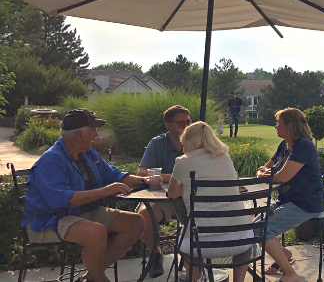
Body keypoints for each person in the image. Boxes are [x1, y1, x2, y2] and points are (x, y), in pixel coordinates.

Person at [21, 109, 147, 282]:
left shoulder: (87, 153)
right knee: (96, 232)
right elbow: (62, 200)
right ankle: (98, 277)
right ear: (79, 135)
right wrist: (106, 190)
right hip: (52, 219)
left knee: (136, 222)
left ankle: (93, 275)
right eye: (93, 130)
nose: (97, 134)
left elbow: (115, 175)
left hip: (85, 213)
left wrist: (147, 180)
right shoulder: (51, 160)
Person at [169, 121, 250, 282]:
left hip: (200, 244)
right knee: (246, 243)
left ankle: (195, 278)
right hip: (240, 239)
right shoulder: (225, 157)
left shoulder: (183, 161)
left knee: (184, 241)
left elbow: (172, 194)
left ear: (188, 141)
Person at [255, 108, 322, 282]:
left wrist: (265, 174)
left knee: (260, 229)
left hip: (304, 203)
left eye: (279, 123)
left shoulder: (303, 146)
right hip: (286, 200)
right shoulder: (284, 145)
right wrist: (264, 173)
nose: (276, 126)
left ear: (290, 126)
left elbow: (282, 176)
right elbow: (265, 168)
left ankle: (290, 274)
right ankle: (284, 255)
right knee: (254, 228)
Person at [136, 105, 191, 277]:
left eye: (188, 121)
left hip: (190, 199)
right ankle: (156, 253)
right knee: (142, 216)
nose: (185, 126)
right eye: (180, 122)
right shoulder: (157, 143)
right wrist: (170, 177)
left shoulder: (196, 142)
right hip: (163, 199)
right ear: (168, 124)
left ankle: (194, 260)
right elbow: (141, 172)